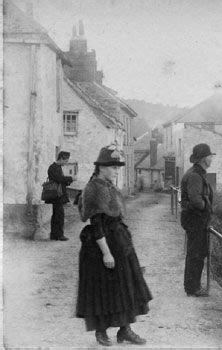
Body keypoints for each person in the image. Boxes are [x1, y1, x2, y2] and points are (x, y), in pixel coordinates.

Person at [76, 144, 152, 346]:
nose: (116, 170)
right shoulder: (94, 188)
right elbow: (96, 224)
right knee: (102, 288)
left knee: (125, 286)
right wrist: (106, 254)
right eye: (113, 167)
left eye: (118, 167)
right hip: (101, 246)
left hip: (119, 241)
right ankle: (101, 331)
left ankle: (124, 330)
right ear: (101, 167)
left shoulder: (109, 186)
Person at [180, 143, 215, 297]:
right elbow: (196, 200)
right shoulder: (195, 175)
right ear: (203, 159)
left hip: (195, 219)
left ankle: (192, 286)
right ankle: (193, 287)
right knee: (196, 253)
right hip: (196, 220)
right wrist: (206, 206)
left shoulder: (196, 173)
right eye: (209, 156)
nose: (211, 158)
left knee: (196, 252)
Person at [47, 151, 74, 241]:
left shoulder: (56, 167)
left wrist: (68, 181)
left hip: (57, 195)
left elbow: (60, 180)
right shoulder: (53, 167)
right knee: (59, 215)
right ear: (61, 158)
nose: (66, 163)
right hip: (56, 195)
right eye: (66, 161)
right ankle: (59, 235)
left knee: (56, 215)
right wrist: (70, 178)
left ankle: (54, 235)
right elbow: (59, 179)